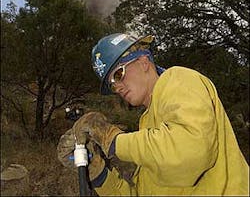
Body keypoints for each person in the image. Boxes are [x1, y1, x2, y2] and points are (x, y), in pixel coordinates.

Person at [57, 33, 249, 196]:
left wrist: (111, 139)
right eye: (111, 85)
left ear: (143, 62)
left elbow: (190, 152)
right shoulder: (148, 126)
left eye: (118, 74)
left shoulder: (179, 79)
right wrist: (97, 171)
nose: (117, 87)